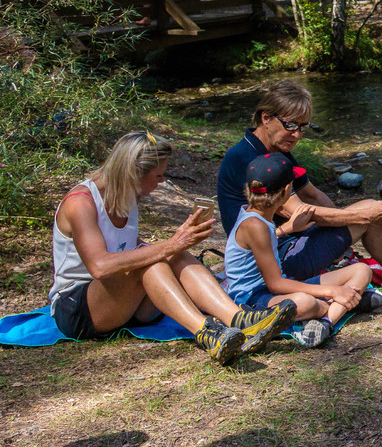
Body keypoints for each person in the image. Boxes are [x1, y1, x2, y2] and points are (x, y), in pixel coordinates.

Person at [49, 131, 294, 363]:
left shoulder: (125, 194)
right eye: (158, 176)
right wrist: (170, 244)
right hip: (78, 309)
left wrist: (176, 246)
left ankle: (237, 319)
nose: (162, 181)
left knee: (173, 255)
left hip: (124, 302)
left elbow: (127, 245)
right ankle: (207, 333)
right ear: (135, 173)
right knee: (155, 260)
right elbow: (99, 266)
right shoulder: (81, 203)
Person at [217, 80, 382, 300]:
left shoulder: (277, 151)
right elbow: (299, 211)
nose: (297, 134)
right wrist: (364, 217)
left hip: (288, 245)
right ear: (266, 118)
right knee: (369, 212)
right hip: (273, 262)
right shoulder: (246, 158)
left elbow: (312, 194)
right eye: (290, 125)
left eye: (303, 127)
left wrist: (343, 236)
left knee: (367, 211)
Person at [224, 153, 380, 347]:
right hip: (252, 299)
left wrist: (289, 228)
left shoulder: (255, 216)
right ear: (287, 190)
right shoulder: (256, 225)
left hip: (271, 290)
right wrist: (332, 290)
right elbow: (276, 284)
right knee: (305, 303)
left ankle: (326, 320)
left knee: (361, 270)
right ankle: (339, 308)